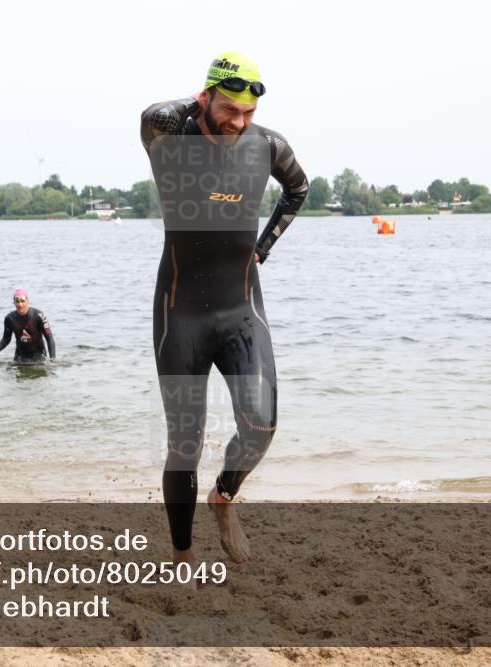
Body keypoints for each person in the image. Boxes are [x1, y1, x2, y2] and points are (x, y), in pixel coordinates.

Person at [140, 52, 308, 568]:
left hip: (240, 311)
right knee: (184, 446)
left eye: (248, 113)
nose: (238, 122)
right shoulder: (172, 140)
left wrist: (263, 246)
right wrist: (196, 102)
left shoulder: (267, 145)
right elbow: (152, 115)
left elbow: (298, 189)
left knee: (261, 426)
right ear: (206, 97)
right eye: (229, 109)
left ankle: (225, 496)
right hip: (180, 314)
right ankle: (182, 555)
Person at [0, 289, 56, 364]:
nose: (20, 305)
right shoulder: (9, 318)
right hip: (19, 358)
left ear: (27, 301)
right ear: (14, 303)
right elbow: (6, 339)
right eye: (17, 301)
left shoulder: (39, 316)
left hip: (39, 357)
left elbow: (49, 337)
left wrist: (52, 360)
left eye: (23, 301)